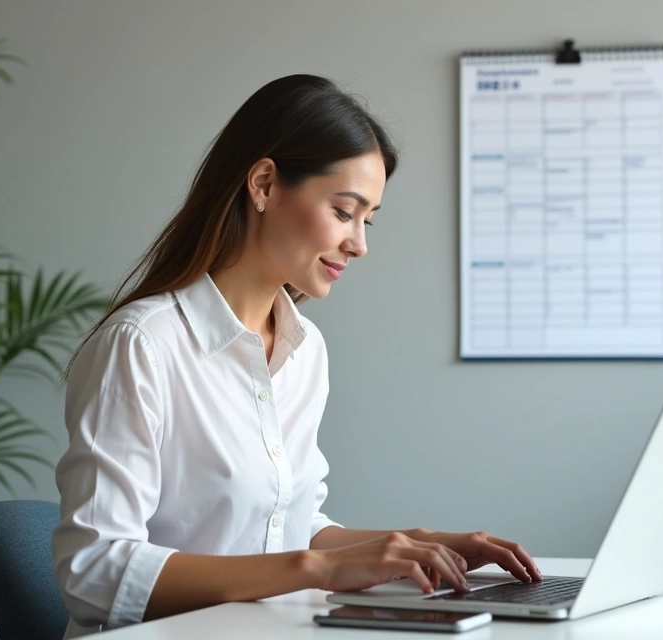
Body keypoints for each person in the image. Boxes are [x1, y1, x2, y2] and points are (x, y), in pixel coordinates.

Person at [51, 74, 542, 638]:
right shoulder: (142, 345)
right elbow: (95, 571)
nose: (360, 243)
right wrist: (319, 569)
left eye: (368, 219)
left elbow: (287, 528)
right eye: (344, 211)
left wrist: (422, 545)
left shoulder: (305, 351)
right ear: (263, 184)